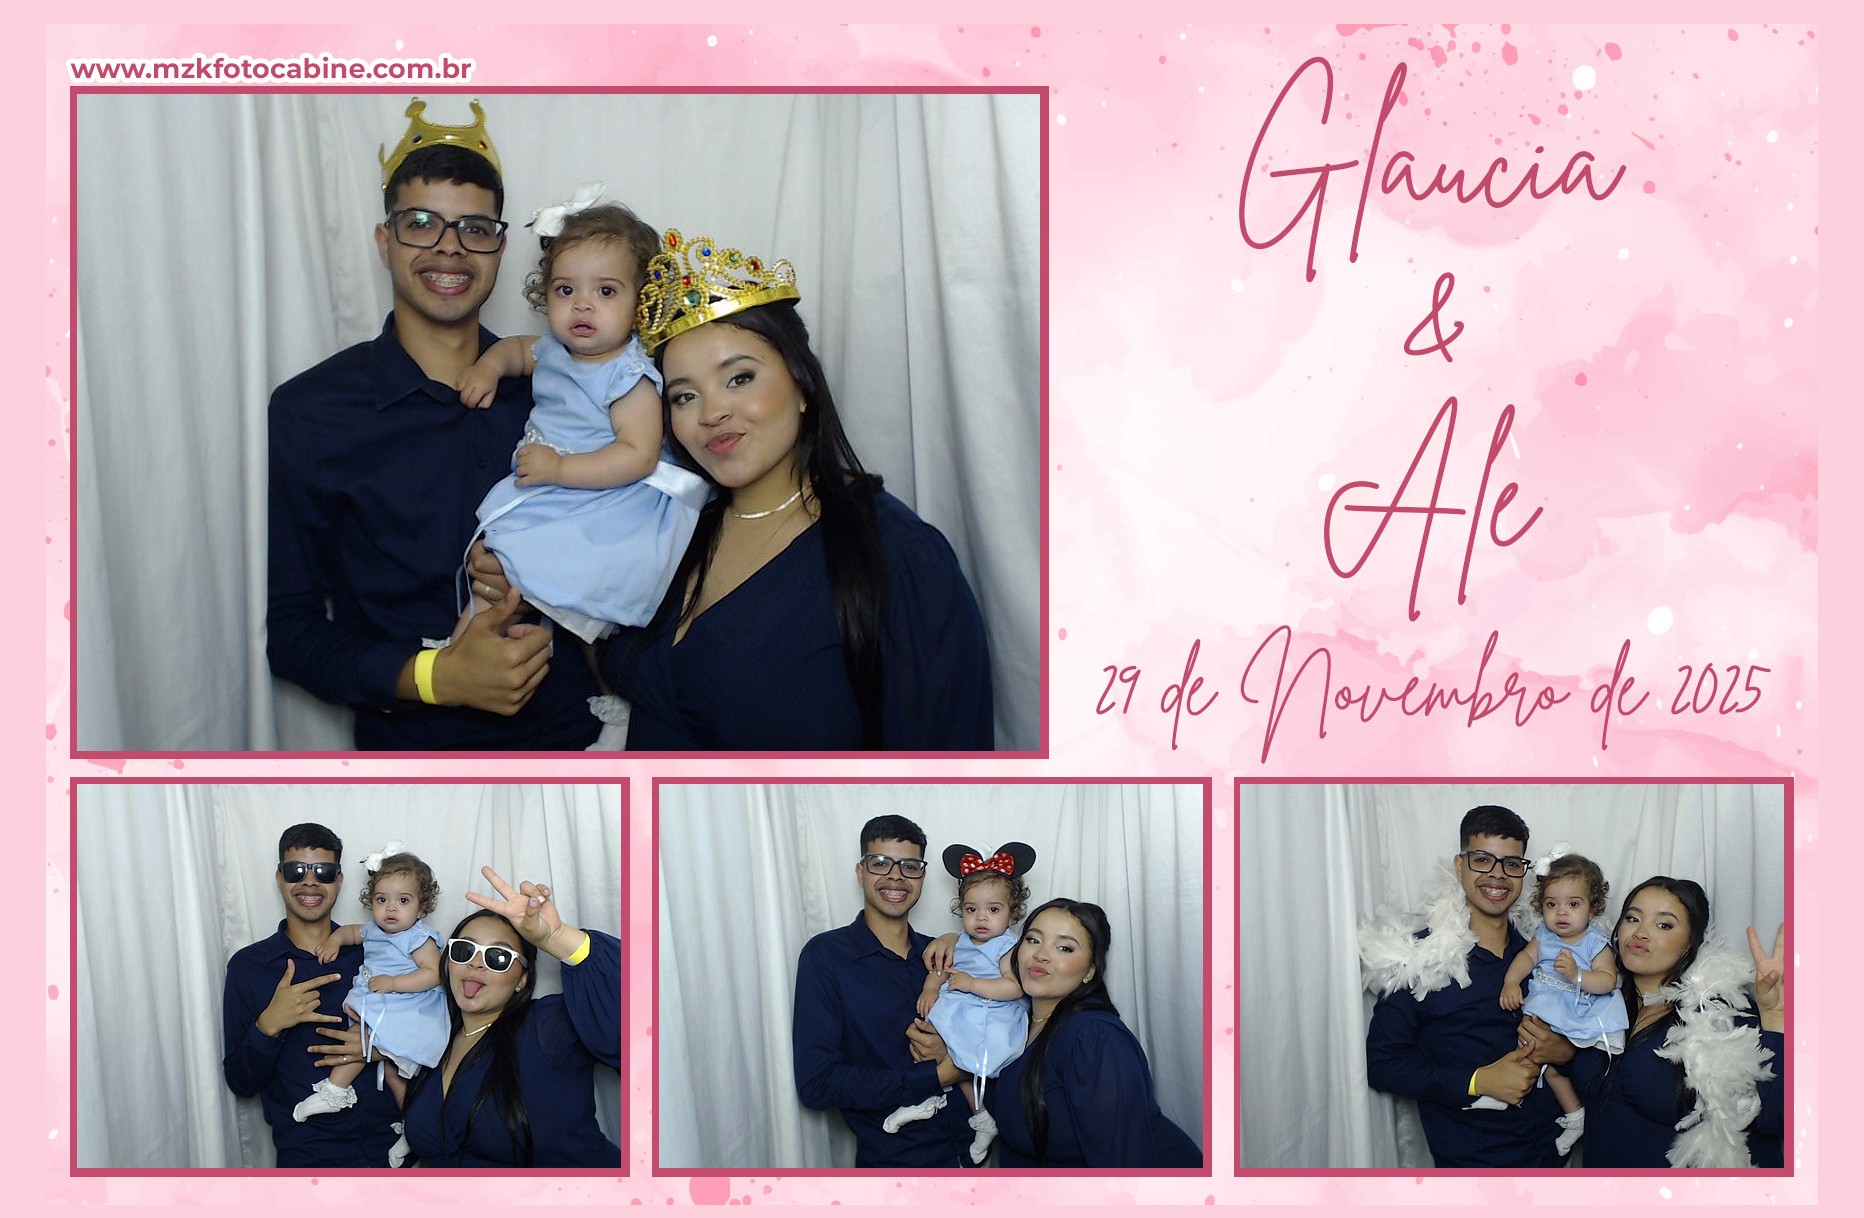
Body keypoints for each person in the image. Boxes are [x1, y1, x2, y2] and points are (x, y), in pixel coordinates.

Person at [268, 96, 600, 749]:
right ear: (384, 241)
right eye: (421, 223)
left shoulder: (564, 389)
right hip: (411, 760)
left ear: (499, 248)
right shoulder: (314, 410)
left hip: (575, 749)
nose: (449, 247)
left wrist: (548, 573)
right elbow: (291, 630)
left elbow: (632, 545)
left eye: (474, 227)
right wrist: (435, 678)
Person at [601, 231, 994, 749]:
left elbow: (945, 763)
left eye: (739, 378)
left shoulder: (899, 559)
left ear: (802, 384)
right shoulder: (669, 525)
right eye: (684, 396)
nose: (711, 413)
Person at [459, 191, 708, 643]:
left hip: (600, 496)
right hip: (548, 486)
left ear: (640, 302)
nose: (582, 304)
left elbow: (638, 455)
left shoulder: (628, 376)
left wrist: (560, 468)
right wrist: (488, 368)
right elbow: (517, 351)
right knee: (498, 563)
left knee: (530, 568)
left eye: (605, 291)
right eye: (566, 290)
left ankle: (506, 645)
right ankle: (470, 646)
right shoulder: (555, 350)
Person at [1360, 804, 1572, 1167]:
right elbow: (1382, 1066)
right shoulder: (1417, 960)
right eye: (1482, 860)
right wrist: (1477, 1081)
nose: (1497, 875)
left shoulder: (1549, 953)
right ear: (1460, 865)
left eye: (1511, 863)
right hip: (1473, 1165)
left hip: (1552, 1158)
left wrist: (1565, 1053)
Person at [398, 866, 622, 1167]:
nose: (476, 963)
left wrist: (556, 937)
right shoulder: (433, 1037)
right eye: (464, 951)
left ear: (522, 980)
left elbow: (639, 1014)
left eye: (498, 957)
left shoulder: (546, 1026)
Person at [792, 815, 974, 1166]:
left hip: (974, 1158)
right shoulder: (826, 957)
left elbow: (998, 1024)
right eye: (880, 863)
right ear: (860, 872)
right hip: (895, 1166)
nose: (896, 876)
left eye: (910, 866)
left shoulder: (943, 955)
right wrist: (937, 1075)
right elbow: (818, 1084)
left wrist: (958, 1055)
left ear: (922, 877)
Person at [1565, 878, 1785, 1168]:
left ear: (1690, 944)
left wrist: (1775, 1015)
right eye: (1632, 918)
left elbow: (1775, 1118)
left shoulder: (1719, 1016)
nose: (1641, 933)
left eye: (1664, 925)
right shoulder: (1595, 1000)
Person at [221, 823, 399, 1166]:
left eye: (323, 871)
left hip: (394, 1152)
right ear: (279, 878)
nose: (310, 881)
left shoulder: (378, 952)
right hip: (308, 1159)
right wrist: (269, 1024)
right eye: (296, 871)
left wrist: (380, 1050)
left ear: (339, 880)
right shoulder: (250, 967)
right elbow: (241, 1083)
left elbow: (433, 1031)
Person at [978, 899, 1201, 1167]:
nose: (1041, 955)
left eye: (1064, 948)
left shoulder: (1092, 1036)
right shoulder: (1016, 1021)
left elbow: (1121, 1162)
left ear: (1090, 971)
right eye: (1033, 940)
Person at [888, 843, 1035, 1163]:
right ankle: (938, 1100)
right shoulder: (960, 940)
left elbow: (1015, 987)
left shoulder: (1008, 947)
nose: (981, 917)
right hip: (961, 1007)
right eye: (971, 909)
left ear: (1013, 912)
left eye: (993, 910)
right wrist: (930, 989)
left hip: (991, 1012)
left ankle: (978, 1115)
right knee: (924, 1038)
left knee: (963, 1058)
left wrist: (972, 984)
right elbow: (941, 969)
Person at [293, 846, 449, 1122]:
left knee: (365, 1042)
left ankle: (337, 1091)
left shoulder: (417, 937)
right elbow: (351, 932)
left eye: (403, 900)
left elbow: (434, 974)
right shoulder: (374, 930)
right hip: (384, 1000)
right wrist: (334, 940)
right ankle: (406, 1121)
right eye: (381, 899)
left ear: (422, 906)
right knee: (387, 1067)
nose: (391, 907)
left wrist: (394, 982)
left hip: (409, 1007)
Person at [1496, 850, 1628, 1156]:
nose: (1561, 913)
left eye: (1573, 904)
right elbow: (1526, 958)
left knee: (1553, 1065)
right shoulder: (1544, 935)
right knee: (1531, 1053)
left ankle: (1574, 1116)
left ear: (1593, 907)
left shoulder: (1594, 942)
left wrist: (1576, 974)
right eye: (1551, 904)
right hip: (1546, 1009)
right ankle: (1564, 1112)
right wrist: (1511, 981)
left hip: (1577, 1010)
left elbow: (1608, 980)